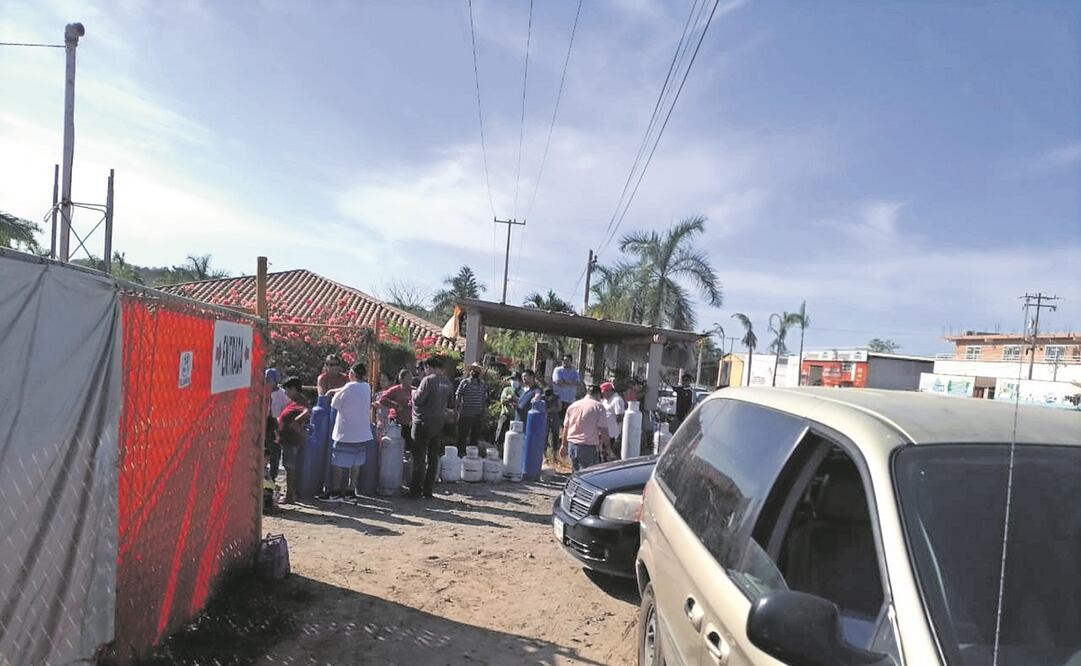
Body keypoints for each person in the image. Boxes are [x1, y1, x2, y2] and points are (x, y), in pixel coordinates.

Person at [317, 362, 374, 502]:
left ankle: (335, 492)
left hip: (345, 432)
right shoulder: (367, 387)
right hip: (362, 432)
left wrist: (331, 392)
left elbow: (334, 404)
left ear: (352, 374)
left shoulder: (347, 388)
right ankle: (350, 492)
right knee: (356, 463)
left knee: (338, 463)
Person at [409, 356, 453, 499]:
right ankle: (428, 490)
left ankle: (415, 490)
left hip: (423, 422)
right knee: (433, 457)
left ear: (429, 367)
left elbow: (418, 399)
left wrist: (413, 392)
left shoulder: (428, 380)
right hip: (438, 422)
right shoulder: (447, 382)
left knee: (419, 457)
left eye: (425, 368)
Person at [559, 385, 610, 471]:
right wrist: (608, 448)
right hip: (588, 446)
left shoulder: (573, 406)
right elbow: (604, 430)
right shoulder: (598, 407)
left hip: (572, 445)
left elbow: (566, 428)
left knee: (575, 473)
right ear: (598, 395)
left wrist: (563, 445)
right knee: (588, 475)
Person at [276, 376, 309, 504]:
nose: (286, 393)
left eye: (288, 390)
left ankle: (290, 495)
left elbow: (307, 412)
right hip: (286, 439)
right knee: (288, 467)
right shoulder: (294, 402)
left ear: (294, 389)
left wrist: (296, 421)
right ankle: (289, 493)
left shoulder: (300, 402)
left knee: (290, 467)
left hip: (291, 440)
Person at [377, 368, 414, 453]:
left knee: (410, 447)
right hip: (398, 422)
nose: (410, 380)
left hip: (410, 422)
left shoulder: (414, 390)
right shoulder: (396, 390)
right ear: (401, 379)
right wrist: (396, 405)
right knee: (397, 446)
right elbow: (383, 399)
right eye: (408, 378)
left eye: (411, 378)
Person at [455, 362, 487, 456]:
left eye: (477, 370)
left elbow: (483, 399)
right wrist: (456, 410)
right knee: (462, 437)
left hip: (477, 415)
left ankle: (472, 455)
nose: (475, 372)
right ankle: (460, 454)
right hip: (465, 414)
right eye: (473, 370)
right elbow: (458, 396)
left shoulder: (482, 384)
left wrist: (483, 411)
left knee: (474, 437)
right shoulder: (464, 382)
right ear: (470, 371)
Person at [494, 373, 522, 449]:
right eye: (512, 379)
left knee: (513, 439)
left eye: (515, 379)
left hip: (516, 419)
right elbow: (503, 400)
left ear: (520, 381)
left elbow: (523, 403)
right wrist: (511, 400)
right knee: (500, 434)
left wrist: (515, 400)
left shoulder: (522, 392)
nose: (513, 381)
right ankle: (497, 449)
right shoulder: (507, 389)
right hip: (505, 415)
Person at [551, 354, 580, 424]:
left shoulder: (575, 372)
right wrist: (571, 383)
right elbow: (558, 382)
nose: (565, 362)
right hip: (559, 400)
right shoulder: (557, 370)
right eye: (563, 360)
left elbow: (578, 383)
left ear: (571, 361)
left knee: (569, 422)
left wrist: (565, 381)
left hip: (570, 400)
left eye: (567, 360)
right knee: (558, 421)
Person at [600, 381, 626, 457]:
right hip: (604, 432)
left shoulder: (617, 399)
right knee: (603, 453)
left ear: (609, 391)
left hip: (612, 433)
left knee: (610, 454)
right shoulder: (605, 400)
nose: (603, 394)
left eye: (604, 392)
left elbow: (620, 416)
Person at [543, 387, 563, 461]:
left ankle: (555, 456)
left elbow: (559, 408)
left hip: (555, 416)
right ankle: (545, 457)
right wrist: (549, 410)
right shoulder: (542, 398)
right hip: (545, 417)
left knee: (556, 435)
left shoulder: (556, 397)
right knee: (545, 435)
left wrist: (551, 409)